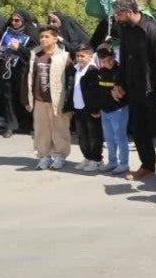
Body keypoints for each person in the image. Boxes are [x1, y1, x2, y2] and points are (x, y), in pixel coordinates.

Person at [112, 0, 156, 184]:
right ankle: (147, 165)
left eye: (118, 14)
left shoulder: (153, 30)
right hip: (135, 90)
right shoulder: (125, 31)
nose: (116, 18)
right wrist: (119, 83)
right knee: (139, 129)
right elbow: (124, 60)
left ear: (129, 12)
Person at [26, 26, 72, 170]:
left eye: (47, 36)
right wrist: (27, 98)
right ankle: (44, 156)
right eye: (41, 37)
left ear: (55, 38)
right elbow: (27, 76)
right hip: (40, 99)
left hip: (57, 100)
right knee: (41, 130)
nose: (43, 39)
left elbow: (70, 79)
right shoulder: (35, 54)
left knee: (60, 129)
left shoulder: (64, 56)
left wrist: (68, 101)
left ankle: (60, 156)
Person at [68, 44, 104, 172]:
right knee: (82, 135)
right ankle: (88, 157)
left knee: (94, 135)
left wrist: (96, 109)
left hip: (90, 109)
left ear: (90, 56)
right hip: (78, 108)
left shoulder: (93, 71)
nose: (79, 58)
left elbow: (97, 93)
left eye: (82, 56)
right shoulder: (75, 69)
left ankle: (97, 159)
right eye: (77, 56)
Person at [95, 45, 129, 174]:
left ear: (114, 57)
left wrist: (121, 93)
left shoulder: (121, 71)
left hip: (118, 109)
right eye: (103, 61)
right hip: (105, 110)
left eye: (110, 59)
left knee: (120, 138)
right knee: (109, 138)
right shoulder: (100, 72)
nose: (107, 63)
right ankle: (112, 162)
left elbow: (127, 90)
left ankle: (123, 163)